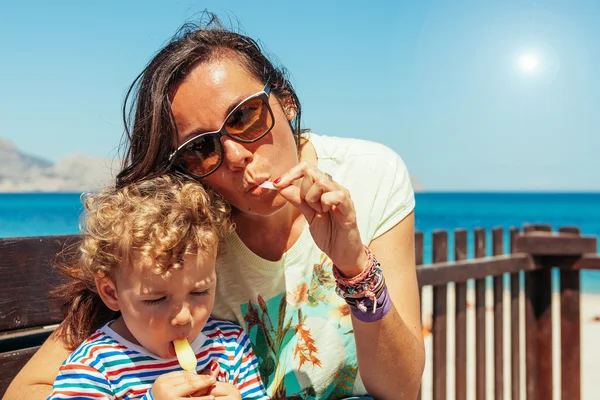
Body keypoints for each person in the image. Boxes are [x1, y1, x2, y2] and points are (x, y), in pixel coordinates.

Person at [6, 13, 425, 400]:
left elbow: (401, 391)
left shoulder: (370, 174)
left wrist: (354, 267)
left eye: (245, 117)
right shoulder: (182, 238)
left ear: (286, 100)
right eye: (201, 147)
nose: (236, 155)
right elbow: (30, 388)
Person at [46, 175, 268, 399]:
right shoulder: (94, 367)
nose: (183, 317)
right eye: (156, 299)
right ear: (111, 293)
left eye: (199, 292)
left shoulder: (229, 347)